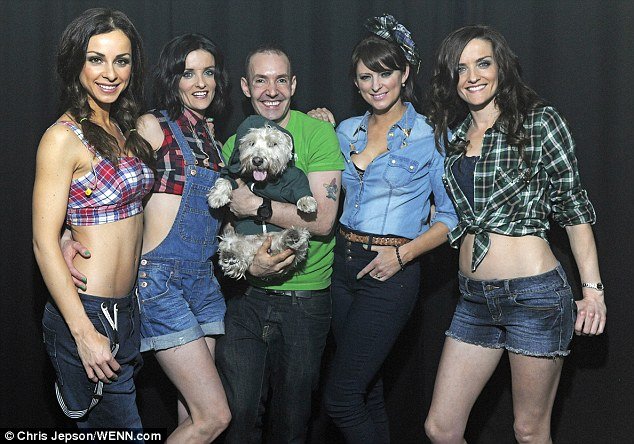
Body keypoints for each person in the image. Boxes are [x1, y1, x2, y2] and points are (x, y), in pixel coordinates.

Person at [423, 25, 606, 444]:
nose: (472, 76)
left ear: (501, 67)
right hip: (473, 299)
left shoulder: (539, 122)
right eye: (461, 68)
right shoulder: (454, 136)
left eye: (483, 63)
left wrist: (593, 292)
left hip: (534, 298)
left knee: (529, 431)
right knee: (441, 428)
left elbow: (575, 210)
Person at [63, 34, 232, 442]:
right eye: (188, 73)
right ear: (172, 79)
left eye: (208, 72)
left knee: (194, 415)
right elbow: (112, 186)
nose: (201, 82)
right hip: (161, 282)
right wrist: (69, 232)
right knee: (214, 417)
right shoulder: (152, 126)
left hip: (204, 282)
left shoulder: (213, 138)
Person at [311, 14, 458, 444]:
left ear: (404, 73)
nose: (376, 85)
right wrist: (315, 127)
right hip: (340, 266)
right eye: (365, 76)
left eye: (385, 73)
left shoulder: (431, 135)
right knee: (367, 392)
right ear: (356, 83)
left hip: (390, 271)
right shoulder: (343, 131)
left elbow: (451, 217)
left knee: (341, 399)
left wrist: (402, 255)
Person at [215, 44, 345, 443]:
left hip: (304, 301)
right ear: (245, 87)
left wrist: (259, 206)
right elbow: (224, 221)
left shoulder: (318, 133)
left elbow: (323, 220)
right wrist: (249, 264)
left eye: (280, 80)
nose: (271, 90)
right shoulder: (234, 144)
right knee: (238, 416)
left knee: (292, 423)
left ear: (293, 85)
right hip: (245, 298)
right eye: (261, 80)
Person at [33, 8, 154, 428]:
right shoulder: (61, 138)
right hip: (86, 313)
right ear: (76, 63)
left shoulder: (123, 127)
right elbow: (42, 241)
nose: (110, 73)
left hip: (128, 310)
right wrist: (83, 332)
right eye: (96, 59)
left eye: (121, 60)